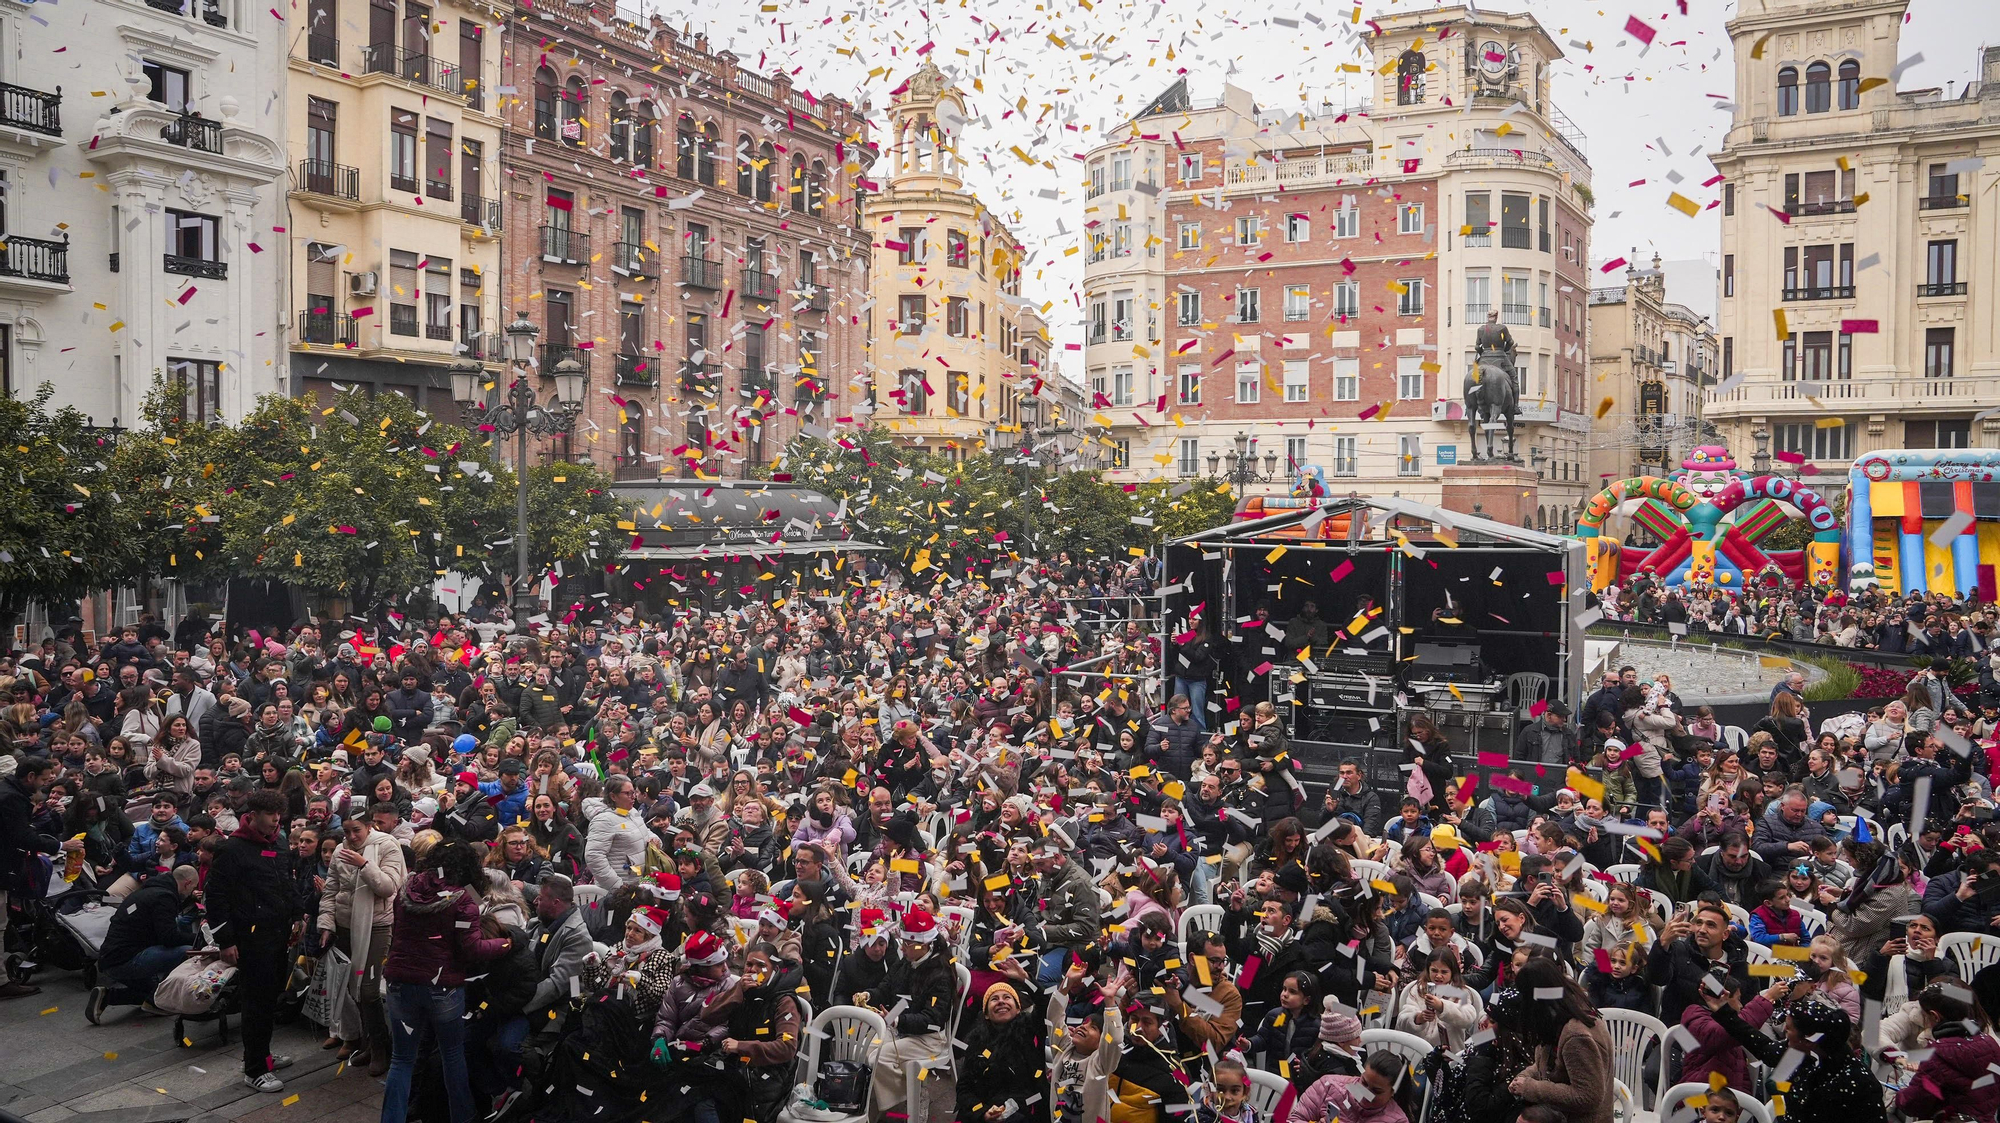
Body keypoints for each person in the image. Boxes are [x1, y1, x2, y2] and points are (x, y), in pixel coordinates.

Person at [378, 841, 513, 1123]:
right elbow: (472, 949)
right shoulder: (463, 900)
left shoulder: (406, 890)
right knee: (453, 1056)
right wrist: (504, 944)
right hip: (442, 989)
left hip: (399, 983)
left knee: (401, 1060)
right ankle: (462, 1117)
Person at [204, 789, 303, 1091]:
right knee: (255, 1002)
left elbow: (287, 882)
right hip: (251, 937)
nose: (276, 821)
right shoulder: (232, 849)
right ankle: (255, 1069)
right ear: (253, 815)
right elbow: (216, 897)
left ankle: (264, 1055)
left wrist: (297, 914)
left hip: (278, 933)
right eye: (270, 816)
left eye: (279, 816)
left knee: (269, 998)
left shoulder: (280, 843)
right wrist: (225, 940)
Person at [316, 811, 407, 1073]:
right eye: (346, 832)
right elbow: (331, 890)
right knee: (353, 988)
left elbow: (388, 887)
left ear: (369, 826)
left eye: (356, 830)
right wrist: (326, 924)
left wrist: (364, 865)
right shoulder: (340, 850)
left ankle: (381, 1048)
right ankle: (367, 1043)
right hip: (345, 926)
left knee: (368, 990)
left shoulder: (387, 845)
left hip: (376, 925)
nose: (351, 837)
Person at [864, 907, 958, 1118]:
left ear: (924, 944)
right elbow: (885, 987)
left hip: (928, 1037)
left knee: (878, 1058)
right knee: (865, 1049)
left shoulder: (940, 973)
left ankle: (908, 1100)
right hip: (902, 1027)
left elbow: (933, 1019)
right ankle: (908, 1093)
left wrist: (898, 1021)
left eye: (907, 944)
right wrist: (869, 996)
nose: (902, 948)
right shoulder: (906, 962)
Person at [1506, 958, 1614, 1123]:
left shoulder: (1576, 1036)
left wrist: (1531, 1088)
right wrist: (1525, 1076)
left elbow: (1587, 1097)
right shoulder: (1559, 1015)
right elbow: (1550, 1065)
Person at [93, 864, 199, 1009]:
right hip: (128, 958)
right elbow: (169, 938)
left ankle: (107, 996)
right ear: (188, 884)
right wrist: (198, 939)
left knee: (152, 992)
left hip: (112, 958)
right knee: (187, 951)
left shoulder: (148, 891)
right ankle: (156, 1003)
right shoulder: (164, 897)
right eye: (192, 889)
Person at [1048, 961, 1122, 1123]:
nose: (1084, 1027)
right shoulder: (1062, 1050)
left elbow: (1115, 1040)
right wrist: (1067, 983)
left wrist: (1110, 1003)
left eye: (1093, 1027)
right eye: (1084, 1023)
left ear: (1102, 1041)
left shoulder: (1101, 1063)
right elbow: (1055, 1017)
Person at [1293, 1051, 1409, 1123]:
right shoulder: (1328, 1085)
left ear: (1392, 1092)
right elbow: (1294, 1118)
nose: (1365, 1094)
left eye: (1376, 1091)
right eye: (1363, 1083)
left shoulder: (1397, 1120)